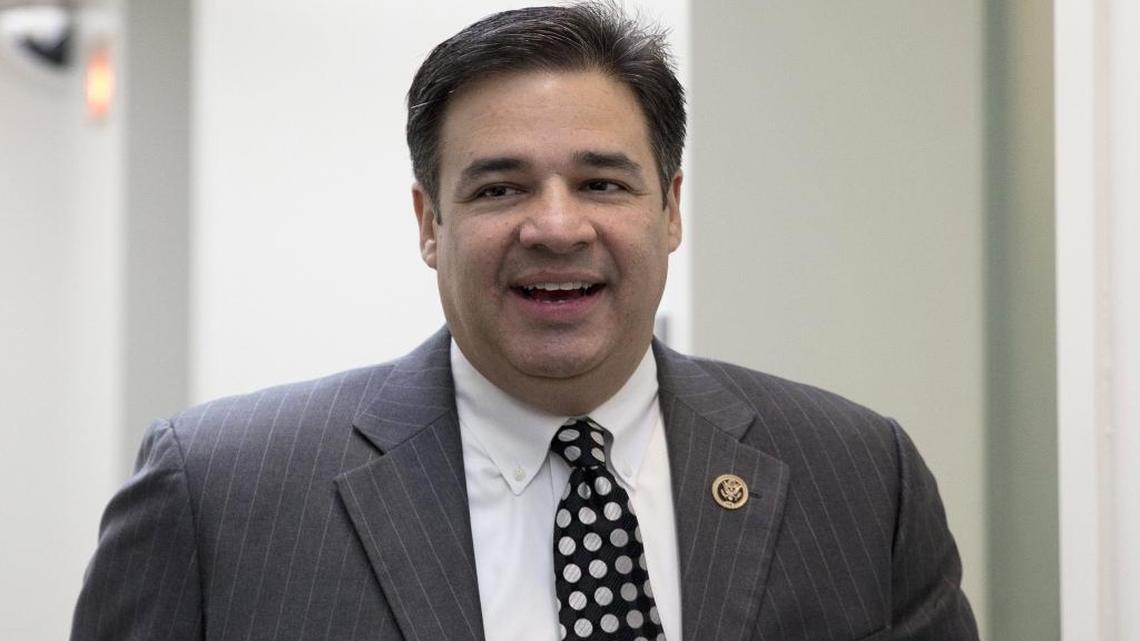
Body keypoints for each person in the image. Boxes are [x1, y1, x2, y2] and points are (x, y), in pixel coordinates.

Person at [71, 3, 979, 641]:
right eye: (501, 187)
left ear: (670, 210)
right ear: (430, 223)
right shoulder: (221, 495)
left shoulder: (860, 477)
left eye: (602, 182)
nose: (555, 226)